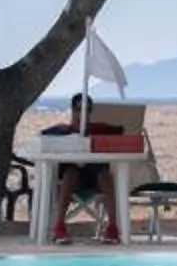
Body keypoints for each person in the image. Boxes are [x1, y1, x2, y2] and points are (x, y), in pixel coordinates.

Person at [40, 94, 126, 244]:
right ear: (72, 111)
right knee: (70, 173)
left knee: (105, 175)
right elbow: (44, 136)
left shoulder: (97, 130)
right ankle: (59, 227)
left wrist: (93, 130)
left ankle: (113, 227)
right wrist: (67, 131)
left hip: (96, 177)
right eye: (78, 110)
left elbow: (119, 131)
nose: (82, 114)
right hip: (74, 180)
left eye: (86, 110)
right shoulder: (62, 131)